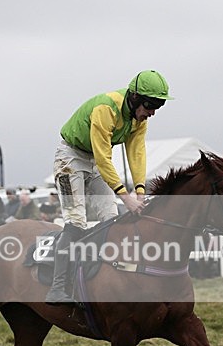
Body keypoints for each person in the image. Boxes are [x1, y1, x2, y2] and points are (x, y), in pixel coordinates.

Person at [47, 69, 172, 303]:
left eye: (158, 106)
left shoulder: (138, 119)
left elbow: (136, 153)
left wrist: (140, 190)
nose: (152, 112)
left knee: (110, 219)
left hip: (94, 162)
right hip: (70, 158)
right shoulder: (105, 109)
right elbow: (104, 156)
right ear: (134, 98)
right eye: (150, 105)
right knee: (76, 221)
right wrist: (126, 196)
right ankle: (58, 286)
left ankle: (103, 281)